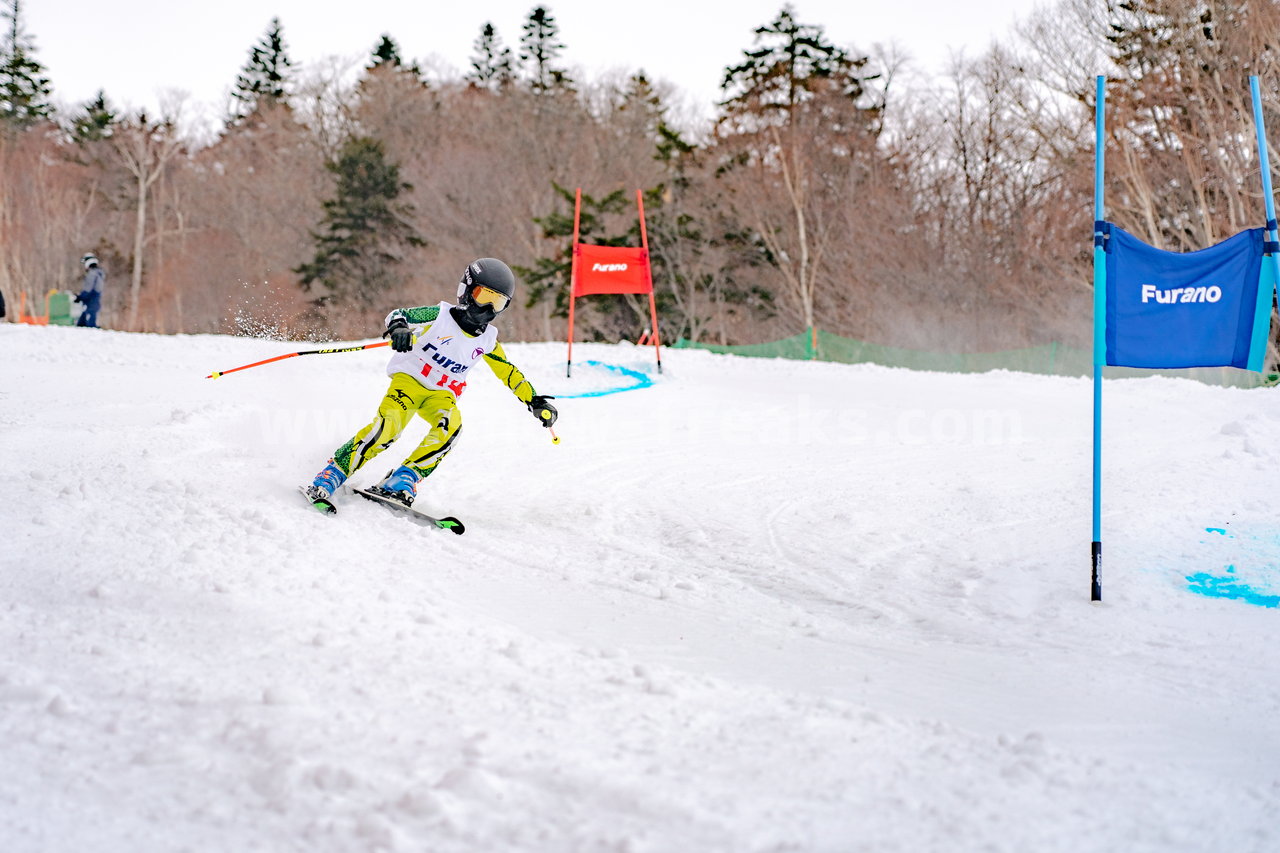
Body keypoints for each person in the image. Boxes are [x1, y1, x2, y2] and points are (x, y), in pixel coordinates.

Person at [304, 257, 558, 510]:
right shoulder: (439, 316)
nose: (489, 309)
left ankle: (404, 478)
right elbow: (399, 314)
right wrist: (399, 328)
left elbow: (509, 372)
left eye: (498, 302)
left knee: (451, 429)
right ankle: (333, 472)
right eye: (485, 297)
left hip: (441, 395)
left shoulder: (488, 340)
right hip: (410, 382)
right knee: (388, 428)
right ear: (467, 291)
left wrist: (533, 400)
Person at [75, 253, 105, 327]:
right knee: (82, 324)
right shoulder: (99, 273)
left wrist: (80, 297)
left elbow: (88, 289)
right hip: (93, 301)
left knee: (89, 325)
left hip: (90, 302)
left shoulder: (92, 274)